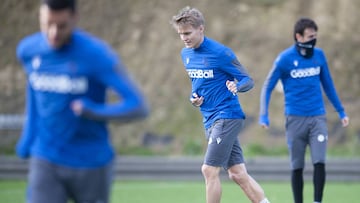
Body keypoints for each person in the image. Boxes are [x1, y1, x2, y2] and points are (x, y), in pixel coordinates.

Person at [15, 0, 149, 202]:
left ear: (74, 18)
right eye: (47, 24)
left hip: (91, 162)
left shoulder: (96, 55)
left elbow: (138, 106)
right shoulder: (28, 50)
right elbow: (35, 94)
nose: (53, 33)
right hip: (46, 157)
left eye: (61, 26)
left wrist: (94, 111)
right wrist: (28, 139)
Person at [171, 6, 270, 203]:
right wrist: (194, 99)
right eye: (181, 34)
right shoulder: (186, 55)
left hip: (227, 115)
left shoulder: (220, 53)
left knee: (208, 170)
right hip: (209, 118)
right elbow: (197, 85)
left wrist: (237, 86)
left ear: (201, 29)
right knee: (237, 174)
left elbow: (247, 80)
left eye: (188, 33)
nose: (184, 38)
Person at [259, 17, 349, 203]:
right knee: (297, 166)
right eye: (309, 36)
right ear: (298, 37)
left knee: (319, 161)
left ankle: (317, 201)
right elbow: (267, 86)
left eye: (315, 36)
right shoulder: (285, 59)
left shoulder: (319, 56)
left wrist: (341, 111)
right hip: (294, 119)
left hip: (317, 118)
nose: (313, 40)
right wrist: (264, 115)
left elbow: (328, 85)